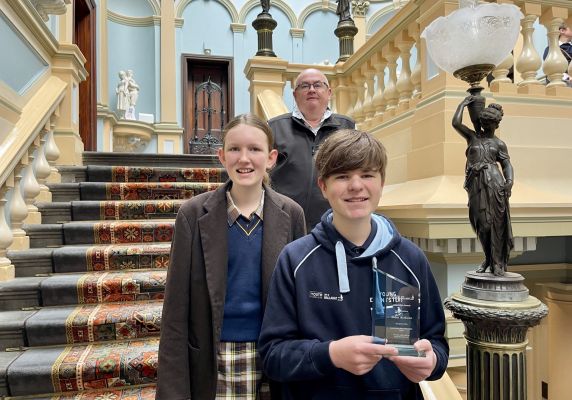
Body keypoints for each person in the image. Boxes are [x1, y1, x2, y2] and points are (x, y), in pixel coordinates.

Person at [258, 130, 449, 399]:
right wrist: (331, 354)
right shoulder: (295, 259)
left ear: (382, 183)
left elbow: (437, 344)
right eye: (343, 176)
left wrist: (431, 362)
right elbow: (273, 356)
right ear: (323, 186)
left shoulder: (411, 258)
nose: (356, 186)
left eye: (367, 175)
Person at [157, 113, 307, 399]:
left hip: (273, 357)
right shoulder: (192, 215)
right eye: (235, 149)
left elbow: (302, 302)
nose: (244, 158)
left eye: (255, 149)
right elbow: (175, 310)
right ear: (221, 156)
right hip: (216, 360)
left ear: (271, 157)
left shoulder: (292, 214)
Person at [269, 68, 355, 230]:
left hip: (334, 221)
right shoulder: (274, 127)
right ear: (295, 95)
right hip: (284, 221)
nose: (312, 90)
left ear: (329, 92)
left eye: (318, 85)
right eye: (304, 86)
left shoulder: (347, 126)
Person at [452, 96, 514, 276]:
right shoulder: (472, 137)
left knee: (494, 223)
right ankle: (488, 257)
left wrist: (509, 182)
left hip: (495, 183)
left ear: (496, 125)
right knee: (480, 223)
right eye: (485, 122)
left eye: (490, 123)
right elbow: (456, 123)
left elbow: (507, 165)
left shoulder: (499, 144)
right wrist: (462, 105)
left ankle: (494, 261)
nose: (486, 126)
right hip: (475, 183)